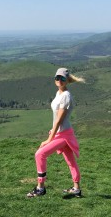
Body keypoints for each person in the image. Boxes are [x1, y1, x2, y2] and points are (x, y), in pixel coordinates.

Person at [27, 68, 85, 198]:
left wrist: (49, 139)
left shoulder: (66, 96)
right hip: (62, 133)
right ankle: (76, 189)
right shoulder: (59, 93)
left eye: (63, 78)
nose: (59, 80)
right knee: (71, 162)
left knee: (40, 154)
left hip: (63, 135)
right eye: (57, 78)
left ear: (67, 80)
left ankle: (40, 188)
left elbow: (59, 121)